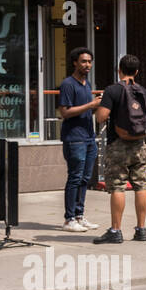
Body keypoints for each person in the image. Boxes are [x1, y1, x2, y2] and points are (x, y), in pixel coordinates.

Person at [92, 53, 146, 244]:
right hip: (140, 145)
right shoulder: (144, 92)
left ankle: (115, 231)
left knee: (118, 187)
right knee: (140, 185)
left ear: (118, 70)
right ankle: (141, 229)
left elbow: (101, 117)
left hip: (118, 145)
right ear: (136, 72)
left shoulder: (113, 91)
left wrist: (102, 105)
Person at [57, 47, 101, 233]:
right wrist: (91, 104)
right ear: (74, 62)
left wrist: (99, 106)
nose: (87, 65)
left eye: (89, 61)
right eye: (83, 61)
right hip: (74, 139)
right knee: (75, 178)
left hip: (89, 137)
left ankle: (79, 216)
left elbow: (85, 110)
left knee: (84, 178)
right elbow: (64, 112)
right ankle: (69, 219)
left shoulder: (86, 84)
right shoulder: (68, 84)